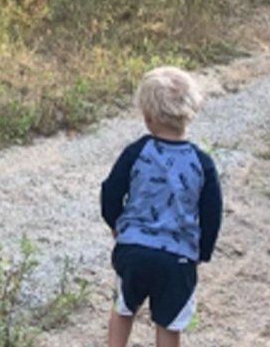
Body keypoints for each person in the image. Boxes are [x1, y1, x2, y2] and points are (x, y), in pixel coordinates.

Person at [101, 66, 222, 347]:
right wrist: (202, 253)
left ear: (147, 116)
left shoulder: (136, 152)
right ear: (190, 111)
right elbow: (212, 214)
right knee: (168, 324)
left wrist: (116, 224)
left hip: (133, 251)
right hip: (177, 260)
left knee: (123, 310)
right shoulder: (202, 163)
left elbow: (110, 190)